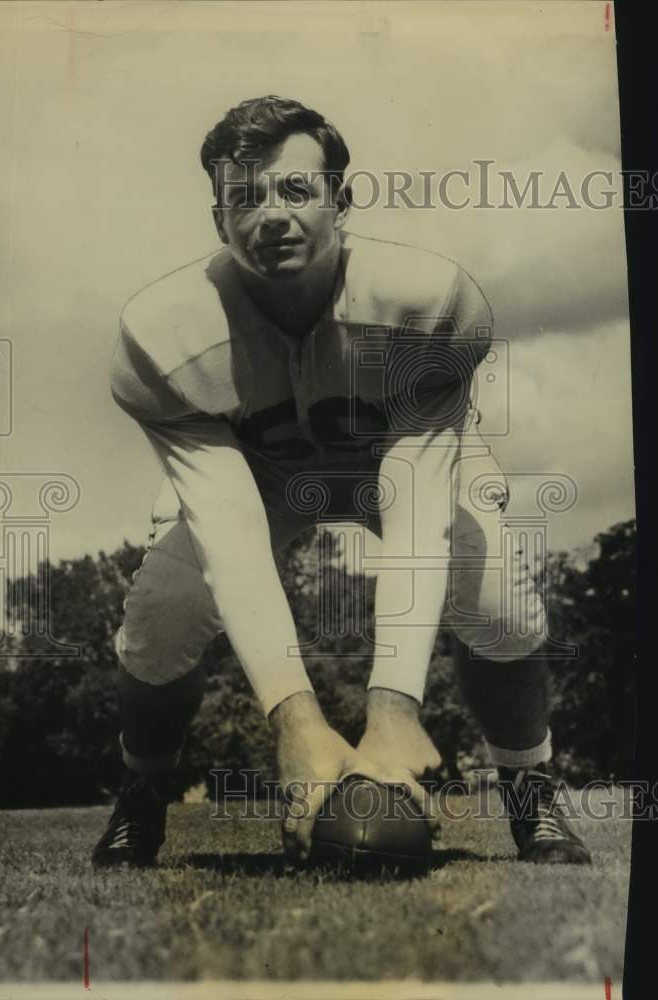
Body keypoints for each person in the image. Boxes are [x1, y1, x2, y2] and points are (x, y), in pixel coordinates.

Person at [92, 96, 591, 868]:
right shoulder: (164, 337)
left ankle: (530, 786)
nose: (271, 215)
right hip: (261, 478)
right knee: (164, 610)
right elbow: (229, 529)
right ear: (218, 219)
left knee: (497, 598)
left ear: (341, 200)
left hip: (396, 464)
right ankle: (142, 789)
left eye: (296, 189)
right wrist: (295, 721)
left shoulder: (426, 303)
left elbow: (417, 496)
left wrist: (394, 707)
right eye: (244, 197)